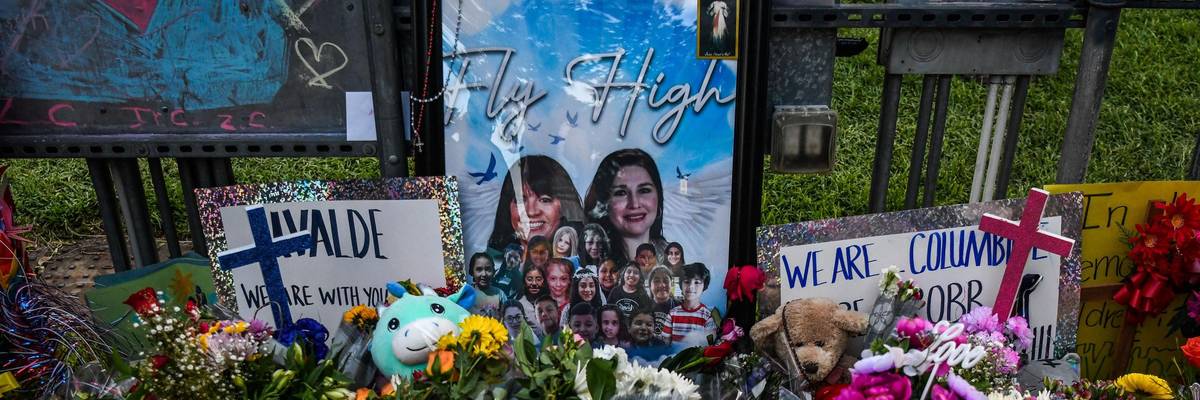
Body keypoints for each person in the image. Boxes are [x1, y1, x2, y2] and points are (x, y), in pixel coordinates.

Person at [583, 149, 667, 266]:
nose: (634, 204)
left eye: (644, 190)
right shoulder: (589, 266)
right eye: (621, 193)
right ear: (604, 204)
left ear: (658, 197)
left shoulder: (672, 259)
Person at [488, 155, 586, 253]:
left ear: (563, 207)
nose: (531, 211)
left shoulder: (583, 263)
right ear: (508, 207)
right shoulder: (492, 262)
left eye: (544, 200)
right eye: (521, 200)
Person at [664, 263, 716, 347]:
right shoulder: (673, 313)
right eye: (687, 282)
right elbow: (666, 342)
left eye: (697, 282)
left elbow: (710, 344)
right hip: (675, 358)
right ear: (681, 285)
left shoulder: (706, 315)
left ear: (704, 286)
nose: (691, 286)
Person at [467, 252, 507, 317]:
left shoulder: (500, 295)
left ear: (493, 271)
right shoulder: (466, 294)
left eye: (488, 269)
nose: (484, 274)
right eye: (479, 269)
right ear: (472, 272)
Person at [647, 265, 676, 343]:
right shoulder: (643, 307)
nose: (662, 285)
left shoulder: (680, 307)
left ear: (672, 284)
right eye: (656, 281)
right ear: (650, 285)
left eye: (666, 281)